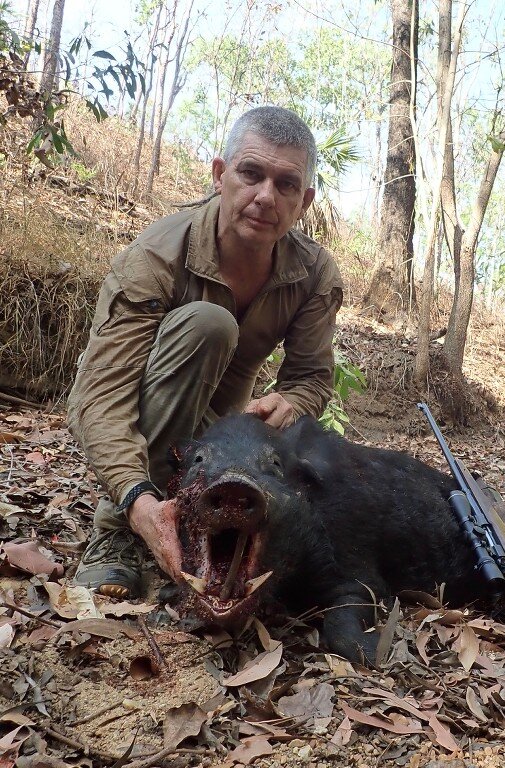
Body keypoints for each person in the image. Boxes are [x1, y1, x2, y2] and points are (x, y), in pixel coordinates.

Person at [68, 105, 343, 599]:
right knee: (208, 325)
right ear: (221, 175)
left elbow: (312, 379)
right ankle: (115, 535)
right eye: (251, 173)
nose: (264, 196)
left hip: (224, 430)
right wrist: (135, 502)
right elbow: (98, 397)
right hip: (145, 407)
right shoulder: (155, 256)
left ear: (303, 201)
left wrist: (292, 403)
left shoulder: (315, 273)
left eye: (285, 184)